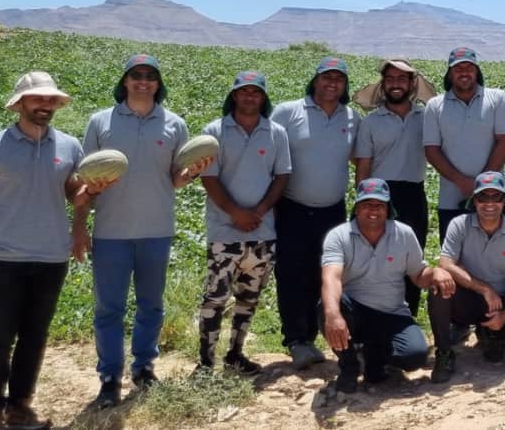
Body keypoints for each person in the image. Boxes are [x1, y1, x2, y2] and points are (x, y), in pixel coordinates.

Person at [0, 72, 95, 430]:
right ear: (19, 103)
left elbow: (75, 196)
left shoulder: (69, 147)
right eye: (37, 99)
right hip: (2, 257)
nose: (44, 105)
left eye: (50, 100)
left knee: (35, 336)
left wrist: (94, 193)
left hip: (51, 256)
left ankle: (19, 408)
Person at [81, 54, 212, 408]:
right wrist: (90, 194)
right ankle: (109, 377)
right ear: (125, 80)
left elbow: (174, 177)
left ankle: (143, 368)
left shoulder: (174, 124)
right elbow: (84, 178)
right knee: (108, 309)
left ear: (158, 83)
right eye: (136, 75)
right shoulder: (100, 122)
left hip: (157, 230)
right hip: (110, 231)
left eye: (150, 76)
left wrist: (192, 173)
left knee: (151, 305)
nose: (143, 81)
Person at [320, 179, 455, 392]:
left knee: (415, 356)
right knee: (326, 306)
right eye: (367, 205)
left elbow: (418, 274)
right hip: (355, 311)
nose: (373, 211)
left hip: (393, 313)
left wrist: (436, 272)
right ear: (356, 208)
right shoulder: (339, 236)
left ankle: (374, 356)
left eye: (379, 205)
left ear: (388, 209)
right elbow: (331, 277)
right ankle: (349, 365)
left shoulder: (404, 233)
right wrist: (333, 314)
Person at [198, 71, 291, 375]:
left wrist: (260, 210)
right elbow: (208, 177)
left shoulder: (275, 132)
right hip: (224, 231)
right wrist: (235, 212)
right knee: (215, 297)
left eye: (256, 93)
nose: (250, 97)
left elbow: (282, 176)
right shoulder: (214, 131)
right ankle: (205, 361)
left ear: (263, 98)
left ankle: (235, 354)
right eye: (244, 92)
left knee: (248, 298)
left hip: (262, 232)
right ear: (234, 95)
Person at [271, 57, 361, 368]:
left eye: (338, 79)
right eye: (326, 78)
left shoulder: (352, 118)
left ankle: (328, 334)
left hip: (332, 211)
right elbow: (266, 151)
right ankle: (298, 339)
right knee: (291, 275)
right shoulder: (287, 112)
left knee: (324, 275)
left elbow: (358, 160)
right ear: (315, 81)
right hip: (292, 208)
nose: (332, 84)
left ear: (345, 86)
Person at [429, 172, 505, 382]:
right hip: (469, 297)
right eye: (483, 197)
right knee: (438, 285)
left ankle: (494, 334)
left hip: (504, 299)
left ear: (504, 202)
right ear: (474, 201)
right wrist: (484, 289)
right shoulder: (459, 225)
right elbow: (445, 263)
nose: (489, 203)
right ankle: (444, 352)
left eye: (496, 197)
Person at [354, 58, 435, 315]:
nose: (395, 84)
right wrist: (361, 203)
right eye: (390, 79)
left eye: (402, 79)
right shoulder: (371, 122)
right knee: (372, 255)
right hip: (379, 195)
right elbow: (363, 166)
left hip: (414, 193)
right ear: (383, 84)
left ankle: (407, 315)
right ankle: (370, 314)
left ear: (412, 84)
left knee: (412, 256)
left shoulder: (428, 117)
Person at [424, 47, 505, 244]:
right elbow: (432, 151)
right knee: (453, 257)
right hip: (451, 198)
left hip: (493, 197)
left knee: (496, 255)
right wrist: (462, 182)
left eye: (469, 68)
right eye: (458, 68)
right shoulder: (434, 106)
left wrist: (483, 184)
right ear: (449, 73)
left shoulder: (498, 99)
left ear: (477, 71)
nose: (464, 72)